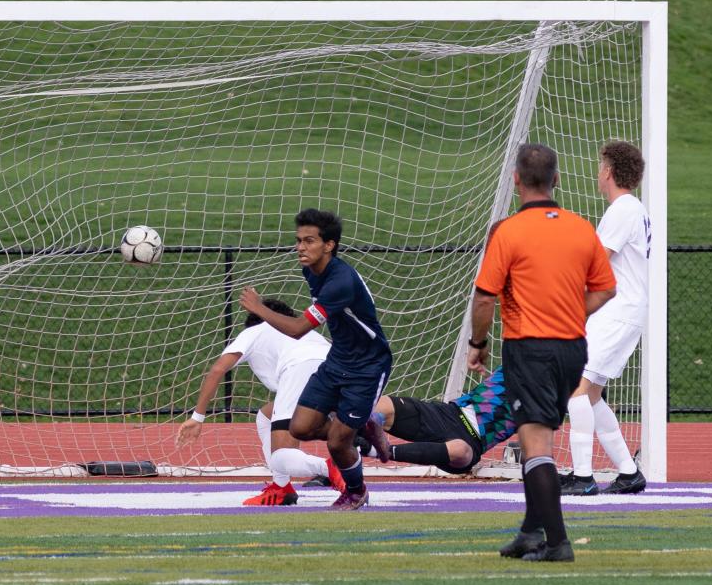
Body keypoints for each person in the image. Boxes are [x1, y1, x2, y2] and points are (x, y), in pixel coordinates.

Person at [467, 143, 616, 563]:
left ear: (516, 179)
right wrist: (571, 310)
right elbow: (606, 287)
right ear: (557, 180)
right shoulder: (581, 227)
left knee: (536, 447)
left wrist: (477, 345)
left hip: (530, 348)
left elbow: (483, 299)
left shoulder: (508, 231)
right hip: (572, 349)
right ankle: (531, 532)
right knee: (540, 437)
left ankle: (557, 543)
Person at [240, 208, 393, 511]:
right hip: (337, 359)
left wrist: (259, 309)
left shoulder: (341, 282)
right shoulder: (310, 271)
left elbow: (297, 329)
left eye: (309, 241)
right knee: (299, 427)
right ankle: (364, 427)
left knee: (337, 443)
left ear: (329, 245)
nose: (301, 247)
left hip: (367, 365)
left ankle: (356, 491)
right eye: (298, 241)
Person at [175, 298, 345, 506]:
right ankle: (281, 488)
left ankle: (330, 468)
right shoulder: (309, 334)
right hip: (339, 370)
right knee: (265, 416)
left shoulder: (254, 331)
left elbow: (218, 369)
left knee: (281, 456)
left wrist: (197, 418)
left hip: (301, 369)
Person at [561, 141, 650, 496]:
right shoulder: (633, 209)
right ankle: (629, 472)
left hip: (616, 311)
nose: (598, 172)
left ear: (609, 172)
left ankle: (582, 477)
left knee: (575, 388)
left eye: (601, 166)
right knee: (592, 394)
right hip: (625, 311)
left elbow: (595, 263)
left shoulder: (623, 209)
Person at [357, 367, 514, 475]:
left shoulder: (536, 405)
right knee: (377, 406)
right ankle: (348, 442)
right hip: (450, 413)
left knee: (461, 451)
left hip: (474, 442)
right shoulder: (516, 363)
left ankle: (376, 450)